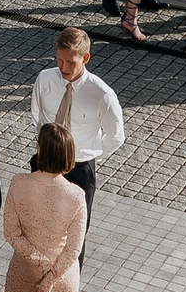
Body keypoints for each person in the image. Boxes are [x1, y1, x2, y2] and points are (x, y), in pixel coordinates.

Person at [0, 122, 87, 292]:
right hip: (61, 276)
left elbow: (11, 233)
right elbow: (74, 248)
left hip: (24, 271)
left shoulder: (18, 183)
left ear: (40, 149)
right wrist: (49, 279)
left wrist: (40, 266)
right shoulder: (77, 196)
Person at [28, 28, 122, 265]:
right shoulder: (45, 79)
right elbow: (37, 116)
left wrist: (87, 152)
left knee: (74, 236)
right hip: (45, 163)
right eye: (59, 60)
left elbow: (115, 136)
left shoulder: (102, 95)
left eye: (70, 62)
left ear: (85, 58)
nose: (63, 68)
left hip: (79, 169)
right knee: (36, 227)